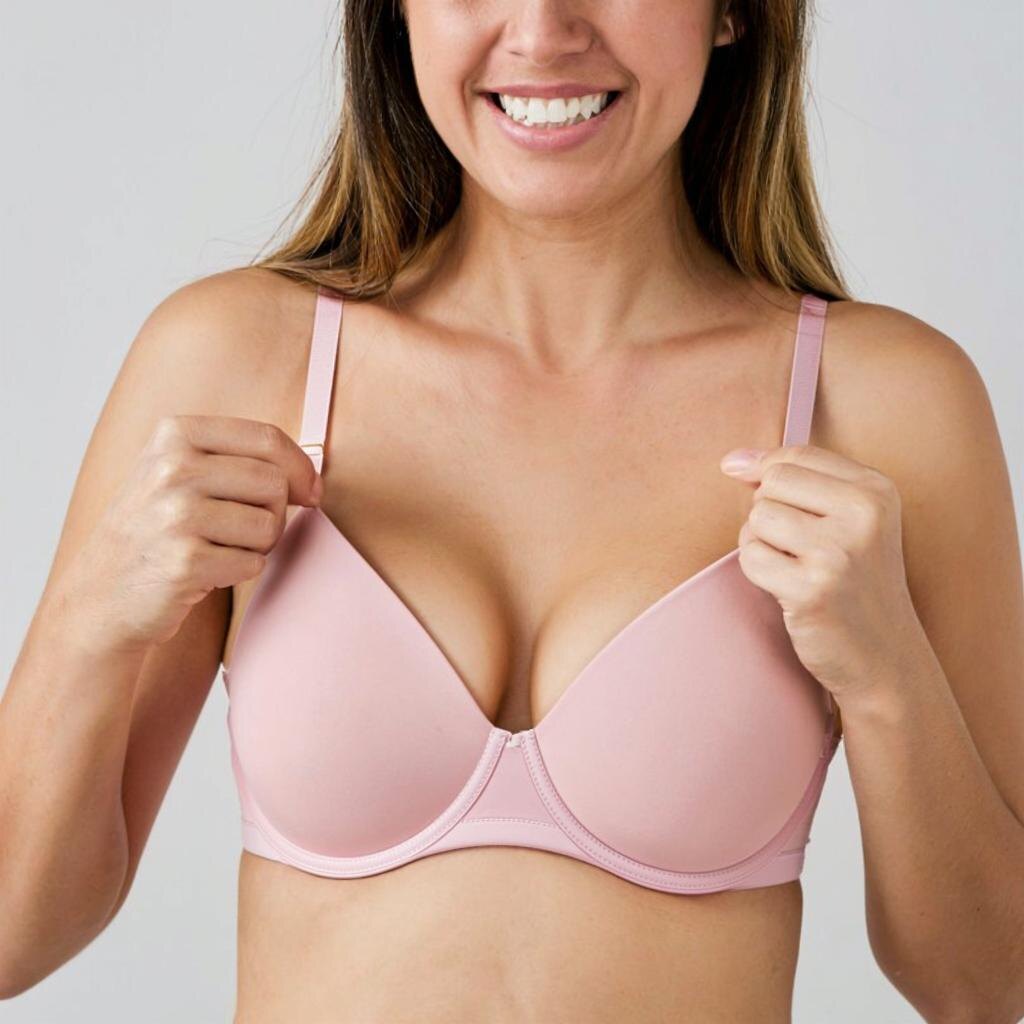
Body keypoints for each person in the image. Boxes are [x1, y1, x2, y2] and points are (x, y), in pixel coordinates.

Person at [2, 2, 1023, 1022]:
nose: (541, 31)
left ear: (732, 12)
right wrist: (92, 623)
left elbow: (987, 986)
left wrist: (889, 676)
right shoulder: (238, 362)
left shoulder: (882, 407)